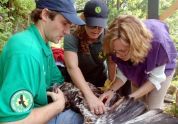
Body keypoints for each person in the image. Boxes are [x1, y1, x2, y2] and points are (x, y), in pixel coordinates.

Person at [0, 0, 85, 124]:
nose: (67, 32)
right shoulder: (26, 52)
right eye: (64, 23)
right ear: (45, 15)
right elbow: (12, 122)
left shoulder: (43, 45)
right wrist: (58, 106)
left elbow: (57, 80)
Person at [100, 15, 177, 109]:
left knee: (152, 109)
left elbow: (155, 79)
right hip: (137, 68)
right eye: (115, 51)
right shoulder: (115, 45)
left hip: (161, 69)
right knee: (137, 106)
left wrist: (128, 98)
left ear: (134, 45)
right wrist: (111, 91)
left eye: (122, 51)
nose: (117, 56)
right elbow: (123, 72)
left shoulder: (158, 43)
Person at [64, 0, 110, 115]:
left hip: (100, 81)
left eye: (100, 26)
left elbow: (112, 63)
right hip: (77, 83)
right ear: (84, 19)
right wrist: (89, 96)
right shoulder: (72, 34)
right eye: (92, 25)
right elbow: (72, 67)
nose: (96, 30)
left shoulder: (108, 35)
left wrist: (110, 88)